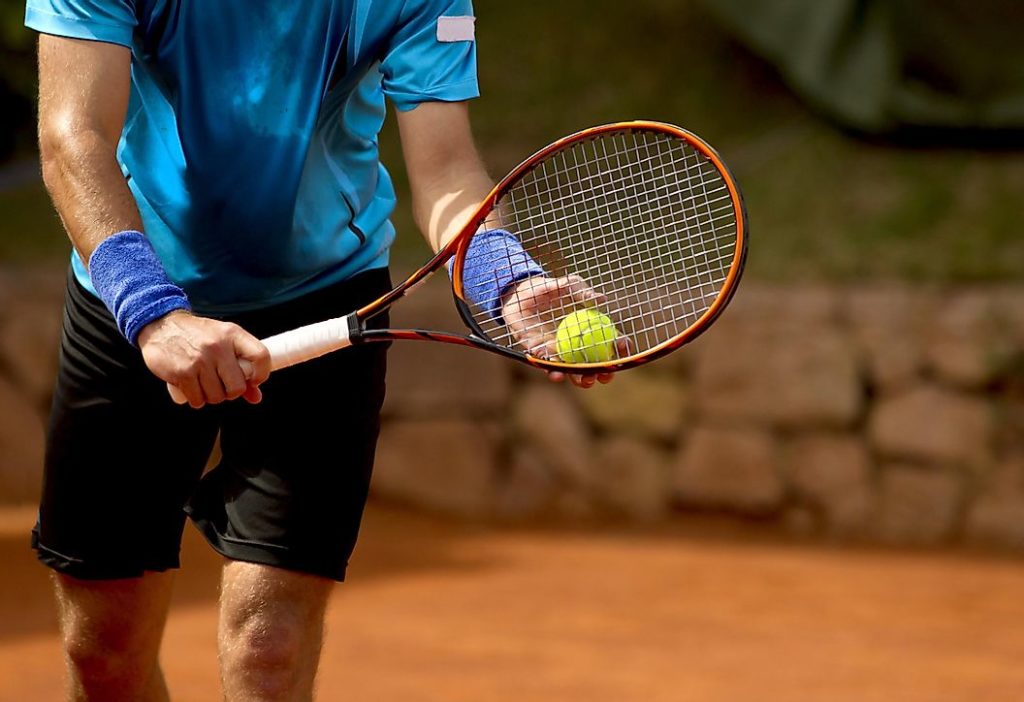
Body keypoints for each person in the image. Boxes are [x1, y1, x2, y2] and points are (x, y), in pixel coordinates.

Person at [26, 1, 616, 700]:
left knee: (268, 648)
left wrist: (506, 283)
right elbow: (73, 135)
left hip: (327, 295)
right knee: (101, 651)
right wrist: (154, 313)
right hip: (129, 295)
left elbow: (449, 171)